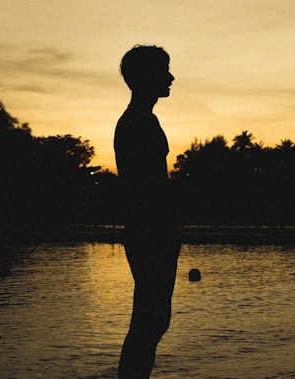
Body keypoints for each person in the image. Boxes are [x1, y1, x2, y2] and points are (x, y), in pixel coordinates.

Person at [115, 45, 180, 379]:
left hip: (153, 230)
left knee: (153, 320)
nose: (170, 77)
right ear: (147, 77)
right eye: (164, 71)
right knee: (149, 321)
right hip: (150, 232)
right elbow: (148, 188)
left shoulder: (141, 120)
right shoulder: (138, 123)